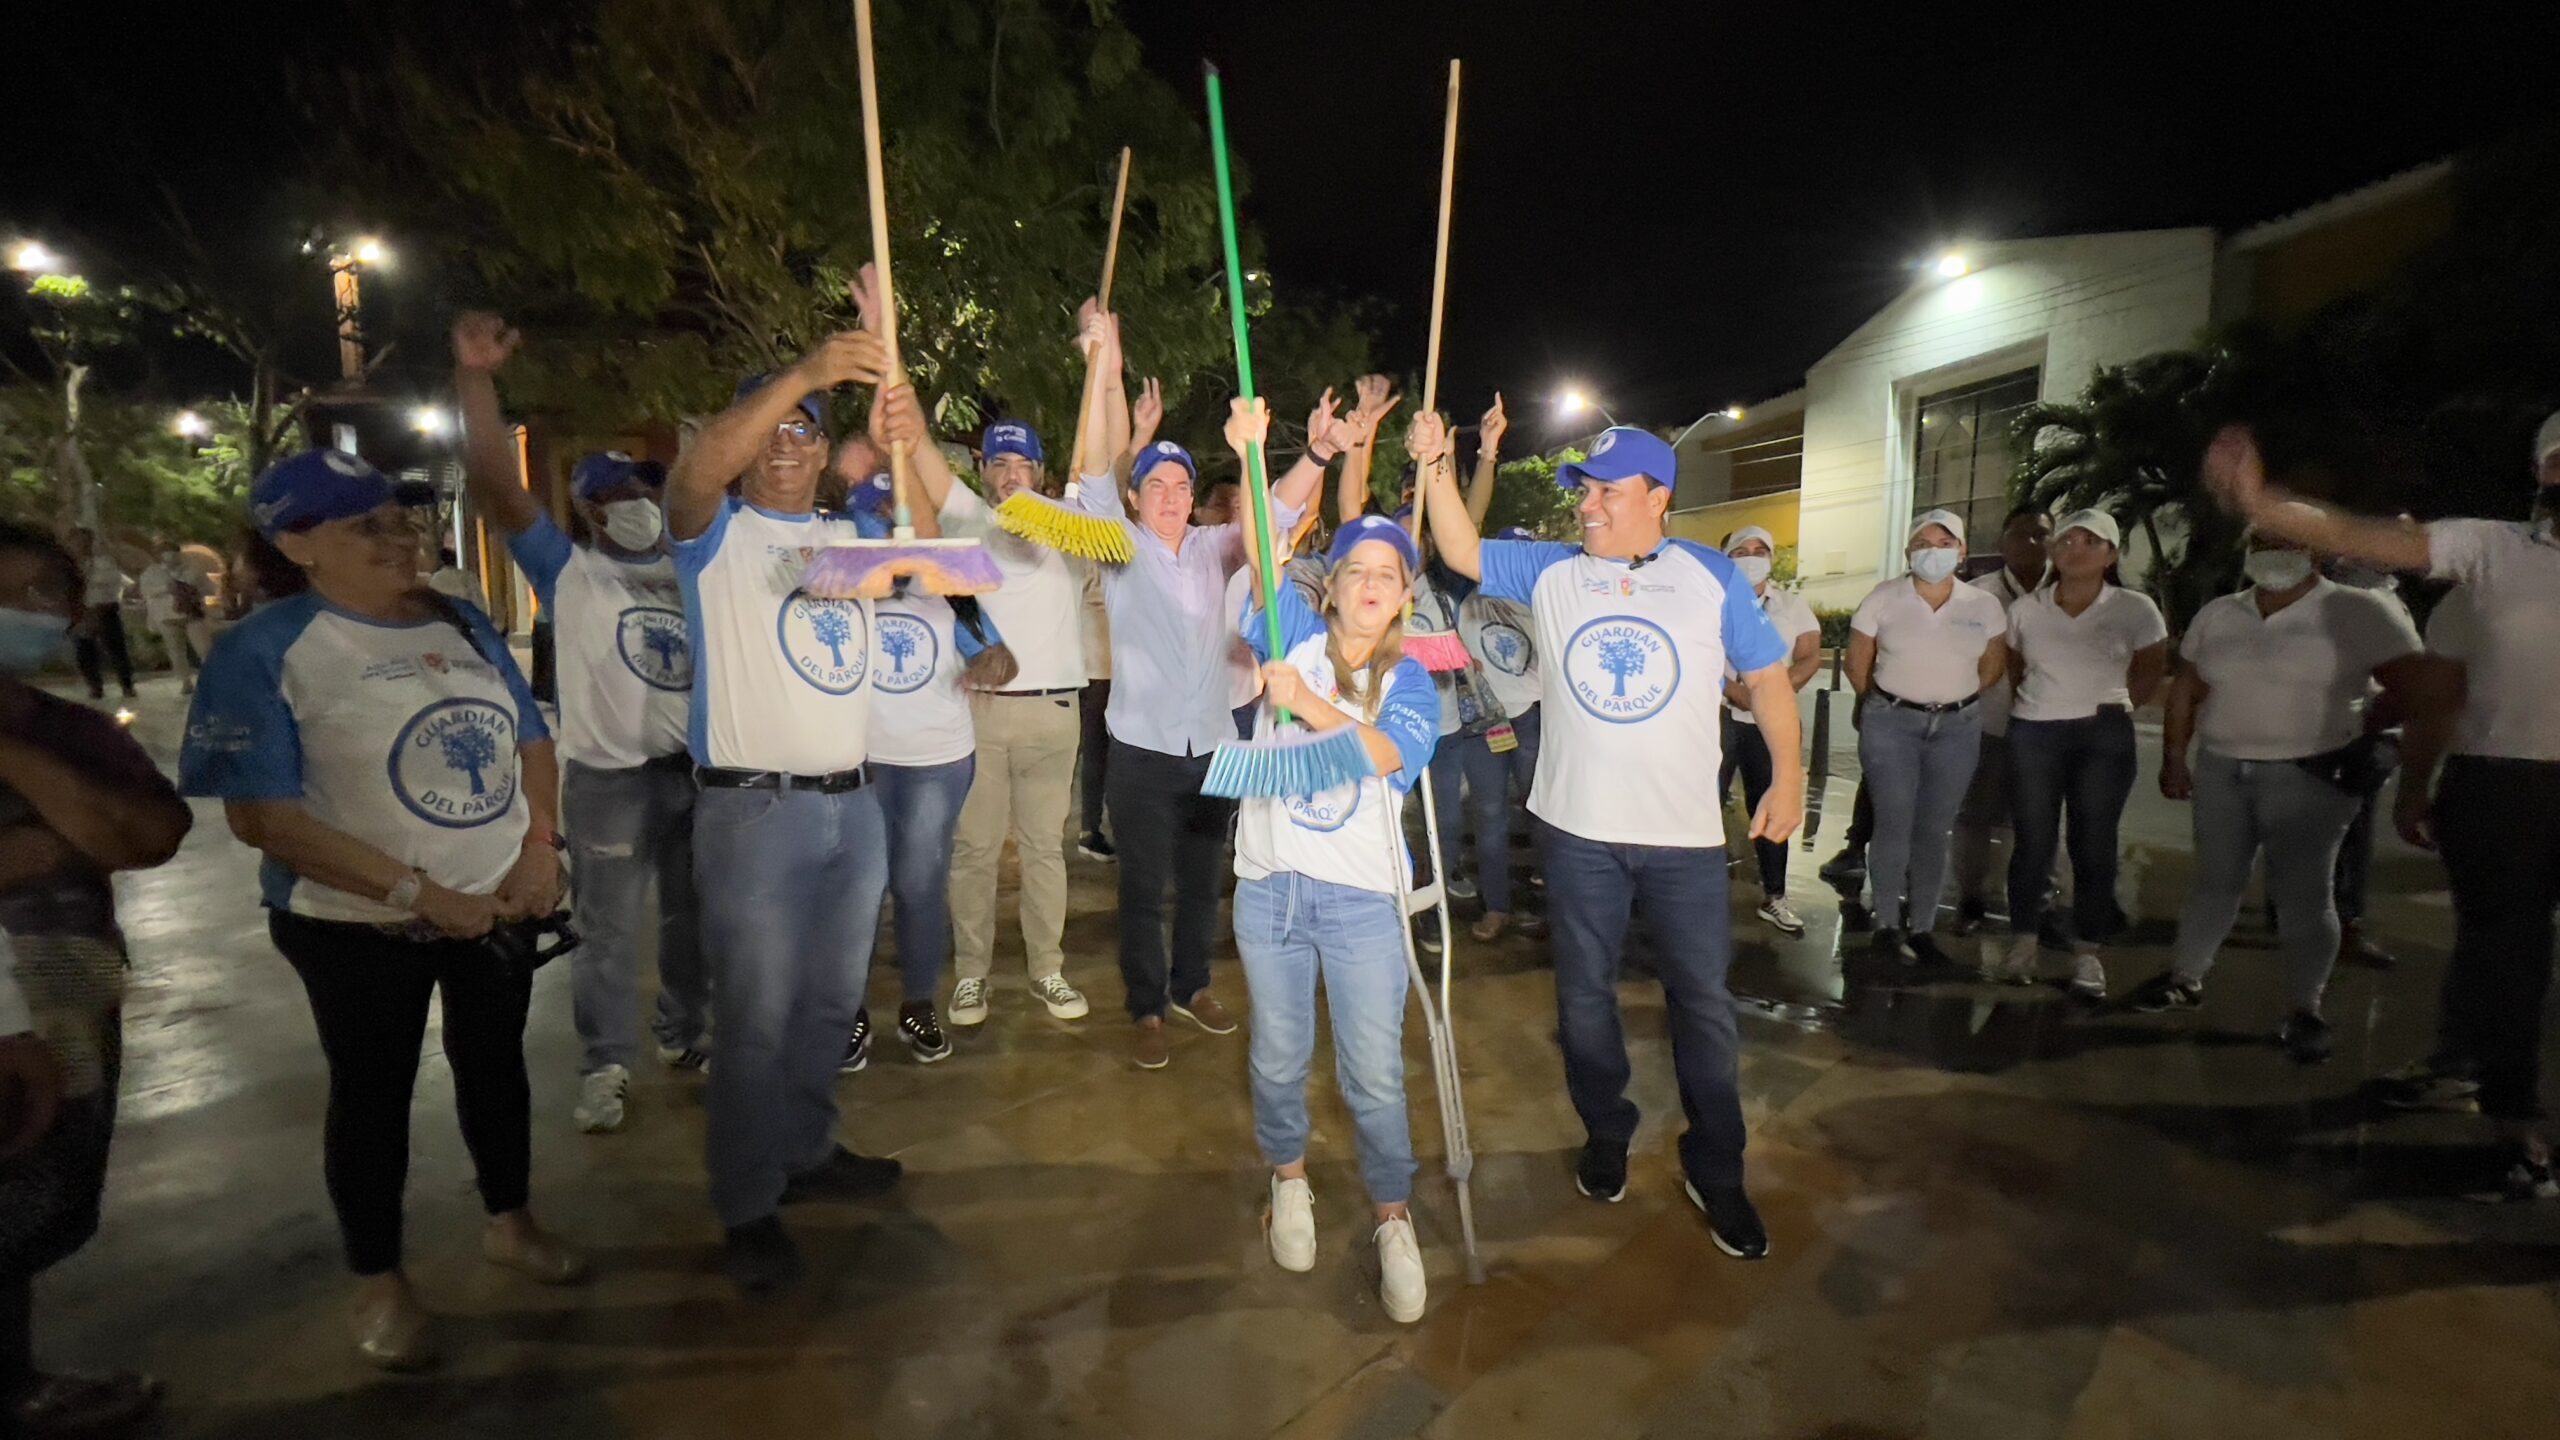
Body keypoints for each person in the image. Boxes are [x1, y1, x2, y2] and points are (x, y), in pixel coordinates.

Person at [178, 451, 583, 1370]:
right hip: (353, 925)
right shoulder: (262, 648)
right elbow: (263, 817)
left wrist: (538, 848)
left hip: (497, 904)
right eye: (366, 527)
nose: (398, 539)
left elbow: (531, 742)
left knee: (495, 1069)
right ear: (296, 544)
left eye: (400, 521)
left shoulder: (461, 619)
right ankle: (380, 1277)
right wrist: (420, 895)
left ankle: (510, 1223)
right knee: (372, 1094)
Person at [1417, 415, 1799, 1257]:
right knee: (1584, 1000)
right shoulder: (1554, 572)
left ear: (1657, 499)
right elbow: (1463, 551)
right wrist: (1439, 466)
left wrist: (1790, 775)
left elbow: (1767, 677)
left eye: (1605, 492)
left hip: (1686, 841)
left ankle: (1718, 1169)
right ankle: (1605, 1133)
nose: (1587, 506)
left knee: (1703, 1004)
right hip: (1579, 833)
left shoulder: (1707, 576)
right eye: (1583, 491)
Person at [2205, 416, 2560, 1201]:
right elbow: (2357, 538)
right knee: (2507, 956)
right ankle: (2514, 1122)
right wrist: (2261, 502)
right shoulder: (2494, 550)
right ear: (2543, 472)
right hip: (2506, 784)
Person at [660, 287, 903, 1293]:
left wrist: (895, 406)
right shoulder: (712, 536)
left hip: (855, 805)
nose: (788, 442)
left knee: (828, 1003)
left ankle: (806, 1148)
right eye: (771, 428)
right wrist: (805, 371)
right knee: (754, 1015)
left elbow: (954, 555)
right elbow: (696, 468)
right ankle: (747, 1198)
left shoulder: (845, 538)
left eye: (805, 428)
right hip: (755, 811)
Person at [450, 315, 711, 1137]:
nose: (630, 505)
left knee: (688, 922)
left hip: (695, 774)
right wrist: (475, 381)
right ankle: (606, 1065)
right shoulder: (569, 572)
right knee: (606, 933)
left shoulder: (693, 567)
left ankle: (684, 1034)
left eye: (640, 491)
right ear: (586, 510)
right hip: (609, 783)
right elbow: (496, 480)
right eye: (610, 496)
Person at [1048, 306, 1328, 1069]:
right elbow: (1102, 460)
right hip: (1139, 752)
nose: (1171, 495)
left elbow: (1276, 514)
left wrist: (1290, 452)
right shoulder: (1116, 544)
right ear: (1136, 498)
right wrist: (1104, 364)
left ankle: (1193, 983)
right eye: (1157, 485)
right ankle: (1146, 1006)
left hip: (1215, 745)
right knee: (1142, 887)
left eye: (1181, 483)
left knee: (1206, 879)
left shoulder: (1218, 545)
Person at [1228, 468, 1442, 1324]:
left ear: (1402, 601)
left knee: (1376, 1078)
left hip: (1363, 906)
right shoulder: (1287, 637)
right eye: (1356, 570)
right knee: (1278, 1057)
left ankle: (1393, 1217)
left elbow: (1387, 756)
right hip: (1270, 892)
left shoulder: (1413, 681)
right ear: (1335, 586)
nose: (1370, 586)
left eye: (1387, 577)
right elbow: (1256, 541)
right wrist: (1251, 450)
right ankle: (1287, 1179)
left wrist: (1308, 703)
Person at [0, 520, 191, 1435]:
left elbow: (147, 836)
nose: (31, 613)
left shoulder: (62, 730)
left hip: (67, 988)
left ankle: (15, 1376)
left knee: (39, 1179)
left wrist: (22, 764)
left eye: (47, 595)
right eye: (12, 592)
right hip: (14, 1009)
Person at [2124, 533, 2422, 1063]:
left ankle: (2305, 1009)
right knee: (2215, 881)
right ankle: (2186, 979)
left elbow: (2417, 684)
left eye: (2286, 542)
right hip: (2222, 767)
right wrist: (2175, 757)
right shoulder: (2221, 613)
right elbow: (2189, 688)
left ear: (2317, 551)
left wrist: (2361, 731)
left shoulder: (2357, 610)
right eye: (2261, 542)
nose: (2271, 552)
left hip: (2309, 774)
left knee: (2305, 895)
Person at [874, 395, 1099, 1031]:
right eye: (996, 463)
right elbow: (918, 445)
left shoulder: (1071, 528)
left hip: (1054, 713)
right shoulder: (969, 519)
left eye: (1020, 463)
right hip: (980, 712)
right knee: (973, 850)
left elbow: (1107, 470)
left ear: (1041, 472)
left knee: (1044, 850)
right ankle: (972, 975)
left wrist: (1103, 363)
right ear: (983, 471)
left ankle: (1046, 969)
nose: (1009, 474)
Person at [829, 419, 1008, 1066]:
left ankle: (917, 1006)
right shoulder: (842, 585)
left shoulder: (949, 589)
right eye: (877, 520)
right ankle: (848, 1012)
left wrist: (992, 664)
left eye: (895, 516)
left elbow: (998, 653)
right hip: (859, 761)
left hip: (936, 761)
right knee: (856, 890)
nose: (890, 533)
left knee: (919, 887)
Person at [1993, 509, 2167, 999]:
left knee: (2094, 844)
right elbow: (2013, 666)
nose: (2077, 549)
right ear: (2054, 550)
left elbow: (2152, 668)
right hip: (2034, 730)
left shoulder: (2135, 608)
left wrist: (2118, 704)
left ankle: (2088, 953)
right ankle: (2024, 942)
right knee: (2032, 843)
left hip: (2102, 734)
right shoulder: (2027, 609)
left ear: (2110, 554)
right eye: (2068, 540)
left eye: (2091, 542)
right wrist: (2041, 705)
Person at [1844, 510, 2007, 965]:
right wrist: (1882, 703)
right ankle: (1886, 925)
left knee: (1935, 829)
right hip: (1893, 724)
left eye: (1943, 543)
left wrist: (1956, 697)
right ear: (1908, 552)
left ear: (1961, 551)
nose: (1932, 552)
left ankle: (1921, 926)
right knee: (1893, 822)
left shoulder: (1983, 606)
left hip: (1956, 728)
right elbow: (1858, 662)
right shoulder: (1884, 598)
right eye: (1922, 544)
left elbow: (1993, 666)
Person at [1951, 506, 2054, 934]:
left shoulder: (2072, 591)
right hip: (1988, 725)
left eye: (2041, 534)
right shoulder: (1977, 596)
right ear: (2002, 543)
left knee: (2041, 820)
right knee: (1975, 816)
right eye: (2020, 534)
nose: (2031, 543)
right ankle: (1971, 899)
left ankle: (2038, 904)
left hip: (2050, 728)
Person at [1718, 526, 1821, 936]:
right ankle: (1700, 896)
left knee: (1773, 801)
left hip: (1768, 725)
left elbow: (1811, 653)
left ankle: (1775, 895)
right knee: (1704, 805)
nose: (1751, 557)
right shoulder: (1711, 602)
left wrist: (1777, 690)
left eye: (1760, 550)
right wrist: (1737, 691)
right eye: (1741, 550)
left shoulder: (1792, 606)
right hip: (1721, 715)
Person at [2320, 554, 2411, 969]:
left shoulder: (2380, 591)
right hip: (2360, 730)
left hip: (2367, 728)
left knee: (2335, 830)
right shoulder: (2359, 594)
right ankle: (2343, 927)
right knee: (2350, 835)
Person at [135, 543, 212, 695]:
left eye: (171, 551)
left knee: (204, 650)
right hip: (166, 617)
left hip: (192, 614)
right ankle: (185, 682)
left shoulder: (192, 569)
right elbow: (146, 593)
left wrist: (192, 591)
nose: (169, 555)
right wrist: (166, 588)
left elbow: (207, 588)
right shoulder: (151, 573)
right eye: (164, 552)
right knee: (176, 651)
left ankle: (211, 678)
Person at [67, 529, 133, 703]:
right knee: (84, 649)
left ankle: (127, 684)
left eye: (84, 541)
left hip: (104, 608)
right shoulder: (67, 566)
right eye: (76, 541)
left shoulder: (103, 563)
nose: (80, 545)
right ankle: (94, 686)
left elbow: (114, 582)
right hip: (80, 611)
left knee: (116, 647)